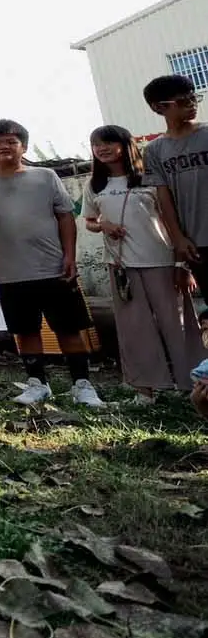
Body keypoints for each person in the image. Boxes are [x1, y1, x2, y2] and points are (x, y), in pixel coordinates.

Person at [0, 119, 104, 408]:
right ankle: (37, 384)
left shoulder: (46, 177)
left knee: (69, 329)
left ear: (24, 146)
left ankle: (82, 385)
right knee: (25, 330)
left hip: (54, 268)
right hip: (10, 273)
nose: (4, 146)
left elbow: (66, 217)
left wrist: (69, 256)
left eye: (11, 141)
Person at [83, 124, 201, 400]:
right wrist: (103, 225)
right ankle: (144, 388)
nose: (102, 149)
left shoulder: (151, 178)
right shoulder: (94, 185)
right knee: (134, 328)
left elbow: (173, 221)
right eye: (97, 144)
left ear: (126, 146)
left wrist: (182, 266)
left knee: (178, 324)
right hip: (121, 266)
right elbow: (88, 221)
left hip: (161, 261)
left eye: (109, 143)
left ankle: (191, 385)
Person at [141, 75, 208, 297]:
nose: (191, 105)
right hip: (197, 242)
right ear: (158, 108)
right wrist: (178, 238)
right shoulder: (154, 150)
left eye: (193, 98)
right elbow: (163, 197)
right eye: (182, 102)